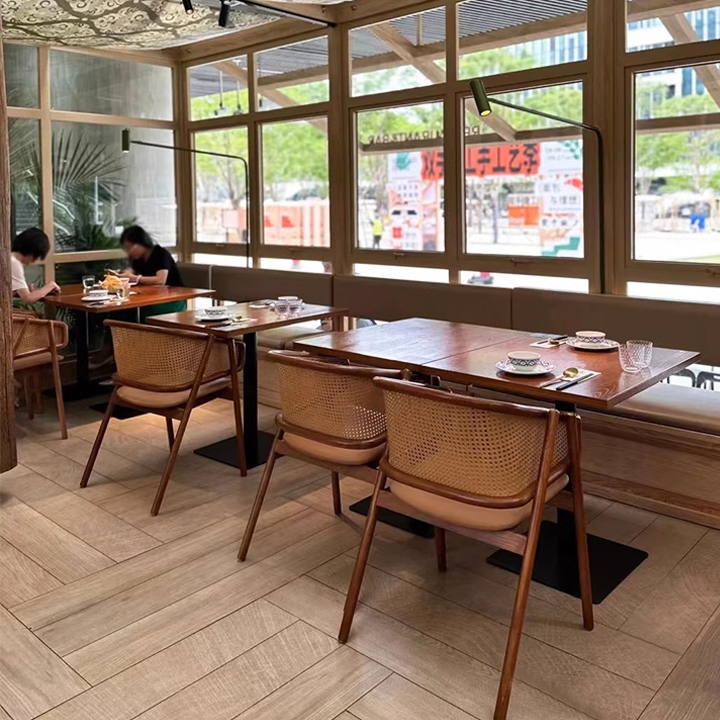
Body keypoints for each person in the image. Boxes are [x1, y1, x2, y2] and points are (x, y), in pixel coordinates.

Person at [118, 225, 187, 319]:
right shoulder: (139, 259)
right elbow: (132, 271)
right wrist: (122, 275)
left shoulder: (160, 254)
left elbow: (160, 280)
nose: (129, 252)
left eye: (131, 247)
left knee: (130, 312)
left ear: (141, 242)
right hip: (151, 297)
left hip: (172, 299)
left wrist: (134, 278)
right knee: (122, 311)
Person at [11, 228, 60, 304]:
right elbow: (28, 298)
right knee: (37, 315)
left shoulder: (8, 258)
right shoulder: (14, 264)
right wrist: (50, 286)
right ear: (32, 252)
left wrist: (22, 290)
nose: (34, 261)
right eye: (37, 257)